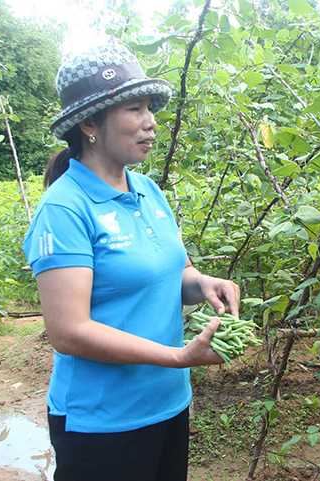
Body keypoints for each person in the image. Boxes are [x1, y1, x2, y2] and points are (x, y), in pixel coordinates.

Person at [22, 44, 239, 481]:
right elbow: (68, 332)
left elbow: (176, 273)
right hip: (101, 422)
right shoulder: (64, 208)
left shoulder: (149, 192)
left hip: (167, 403)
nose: (150, 122)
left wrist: (205, 284)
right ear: (89, 123)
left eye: (150, 109)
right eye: (134, 108)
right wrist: (178, 356)